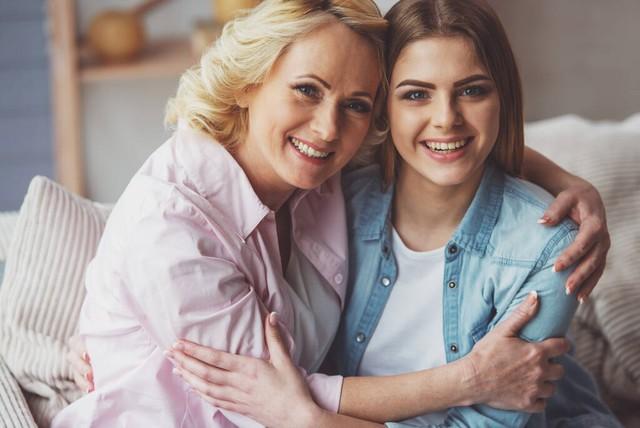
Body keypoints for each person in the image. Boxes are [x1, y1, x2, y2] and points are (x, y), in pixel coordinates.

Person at [62, 0, 613, 427]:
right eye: (306, 90)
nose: (327, 129)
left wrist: (569, 183)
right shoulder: (176, 230)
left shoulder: (324, 174)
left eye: (355, 105)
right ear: (251, 80)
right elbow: (278, 398)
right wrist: (468, 378)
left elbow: (446, 140)